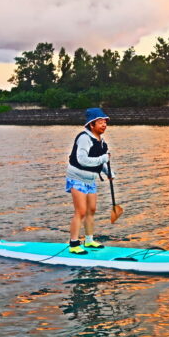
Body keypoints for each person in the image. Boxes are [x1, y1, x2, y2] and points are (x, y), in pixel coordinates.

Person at [65, 107, 112, 254]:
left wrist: (109, 172)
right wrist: (103, 158)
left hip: (90, 180)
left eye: (105, 121)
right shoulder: (84, 138)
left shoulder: (101, 141)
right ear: (91, 124)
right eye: (100, 122)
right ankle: (73, 244)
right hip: (77, 178)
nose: (104, 124)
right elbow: (82, 159)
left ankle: (89, 240)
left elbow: (100, 162)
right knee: (81, 211)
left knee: (91, 210)